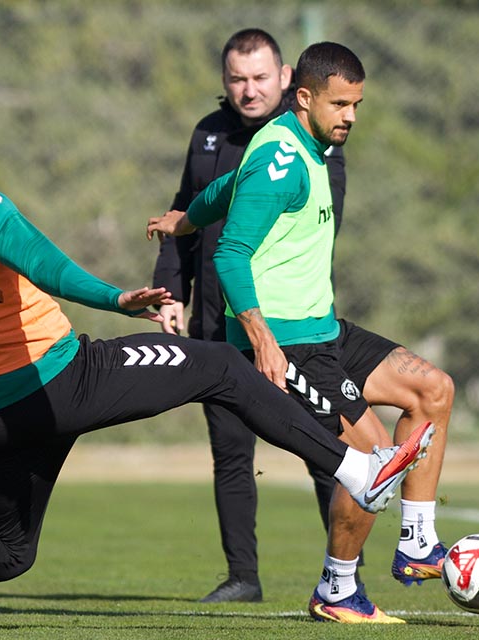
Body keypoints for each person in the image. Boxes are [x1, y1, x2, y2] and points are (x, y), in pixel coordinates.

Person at [0, 93, 434, 612]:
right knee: (221, 363)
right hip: (65, 382)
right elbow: (49, 270)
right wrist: (117, 297)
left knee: (10, 552)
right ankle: (355, 468)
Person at [148, 42, 456, 624]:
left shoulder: (303, 143)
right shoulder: (283, 159)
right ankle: (337, 590)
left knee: (433, 391)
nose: (351, 116)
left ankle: (417, 543)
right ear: (306, 97)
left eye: (358, 104)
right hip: (287, 341)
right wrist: (261, 339)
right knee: (372, 460)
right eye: (341, 103)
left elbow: (225, 188)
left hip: (323, 329)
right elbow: (232, 256)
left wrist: (182, 219)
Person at [153, 28, 347, 605]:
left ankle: (342, 575)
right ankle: (243, 578)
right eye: (237, 78)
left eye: (261, 77)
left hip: (283, 325)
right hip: (216, 325)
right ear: (224, 81)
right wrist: (171, 293)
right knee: (231, 455)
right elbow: (182, 214)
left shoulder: (308, 141)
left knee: (322, 448)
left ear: (287, 79)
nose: (249, 89)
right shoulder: (207, 136)